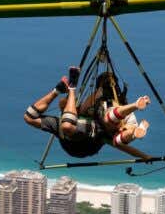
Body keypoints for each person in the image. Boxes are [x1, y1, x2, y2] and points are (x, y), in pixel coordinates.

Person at [23, 65, 152, 159]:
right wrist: (56, 92)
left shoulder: (101, 124)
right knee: (29, 117)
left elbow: (120, 145)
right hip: (72, 133)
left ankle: (72, 88)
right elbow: (122, 146)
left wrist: (145, 156)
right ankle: (57, 90)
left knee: (68, 126)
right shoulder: (93, 103)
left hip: (87, 142)